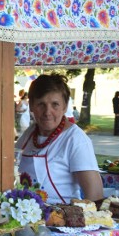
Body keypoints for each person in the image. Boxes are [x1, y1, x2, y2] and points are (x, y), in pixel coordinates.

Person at [15, 73, 103, 203]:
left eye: (55, 104)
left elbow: (95, 196)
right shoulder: (29, 134)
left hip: (64, 217)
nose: (47, 112)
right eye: (41, 104)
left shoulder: (75, 140)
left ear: (65, 106)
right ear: (32, 106)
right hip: (28, 217)